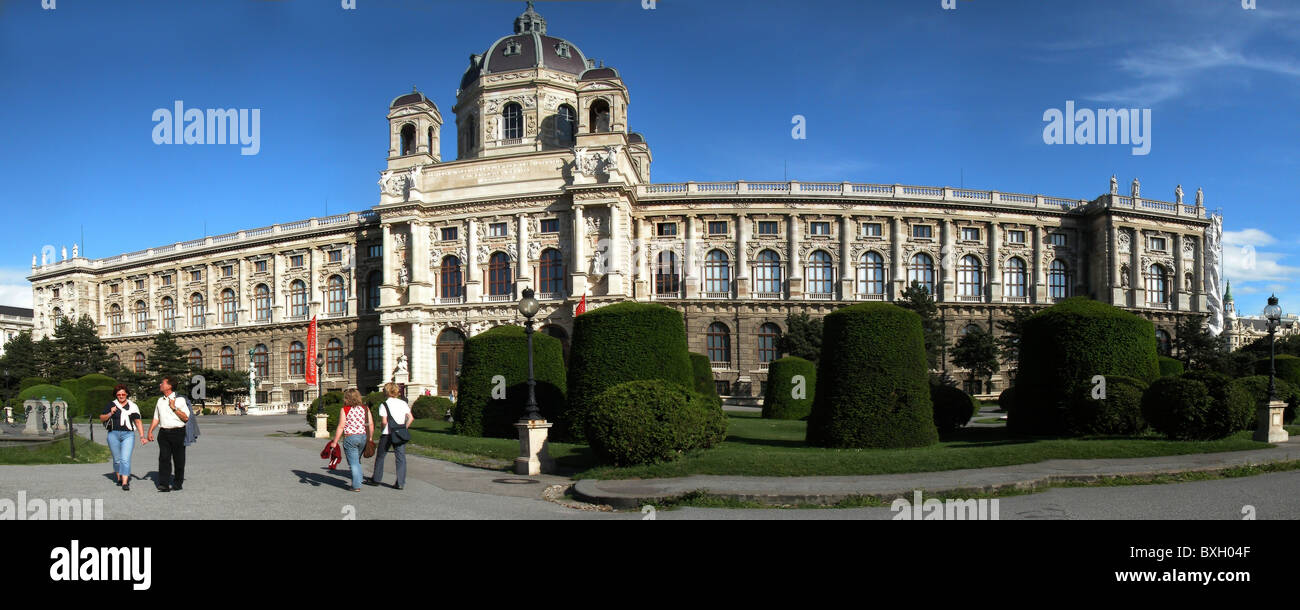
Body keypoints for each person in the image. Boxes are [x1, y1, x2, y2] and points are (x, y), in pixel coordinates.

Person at [147, 376, 191, 492]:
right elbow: (156, 418)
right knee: (164, 458)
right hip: (163, 433)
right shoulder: (160, 401)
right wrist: (150, 431)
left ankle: (178, 482)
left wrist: (174, 408)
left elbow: (186, 418)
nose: (160, 385)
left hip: (177, 432)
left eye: (162, 383)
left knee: (179, 459)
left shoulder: (180, 400)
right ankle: (164, 484)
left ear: (169, 386)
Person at [99, 384, 143, 491]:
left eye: (123, 394)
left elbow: (137, 421)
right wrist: (110, 413)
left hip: (128, 434)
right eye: (119, 394)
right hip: (113, 434)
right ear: (116, 395)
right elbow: (101, 418)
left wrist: (142, 435)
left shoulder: (133, 406)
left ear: (127, 394)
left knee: (125, 459)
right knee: (117, 460)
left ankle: (124, 482)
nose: (121, 396)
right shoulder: (111, 404)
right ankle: (119, 477)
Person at [367, 383, 410, 490]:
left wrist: (382, 429)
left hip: (387, 433)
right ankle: (400, 482)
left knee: (381, 456)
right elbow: (411, 418)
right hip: (400, 432)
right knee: (400, 457)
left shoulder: (384, 404)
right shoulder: (403, 403)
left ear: (386, 392)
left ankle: (376, 479)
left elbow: (384, 422)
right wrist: (404, 428)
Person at [329, 388, 373, 492]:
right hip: (363, 436)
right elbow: (370, 424)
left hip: (350, 437)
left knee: (353, 462)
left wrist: (335, 441)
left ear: (346, 398)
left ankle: (356, 485)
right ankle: (359, 479)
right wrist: (370, 438)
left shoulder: (345, 409)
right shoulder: (365, 408)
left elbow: (341, 426)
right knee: (357, 460)